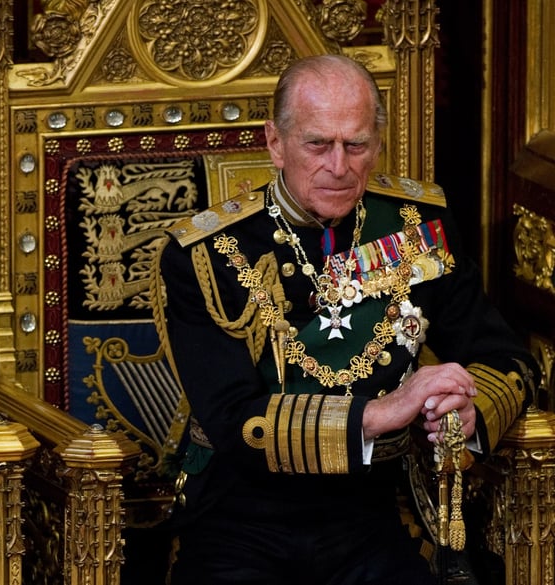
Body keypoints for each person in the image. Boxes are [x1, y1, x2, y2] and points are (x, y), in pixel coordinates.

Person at [158, 53, 536, 584]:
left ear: (376, 144)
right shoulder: (207, 253)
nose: (339, 166)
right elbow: (236, 421)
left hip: (373, 514)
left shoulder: (413, 227)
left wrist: (468, 411)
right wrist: (382, 412)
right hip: (240, 519)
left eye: (356, 144)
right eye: (318, 144)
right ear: (275, 142)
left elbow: (509, 359)